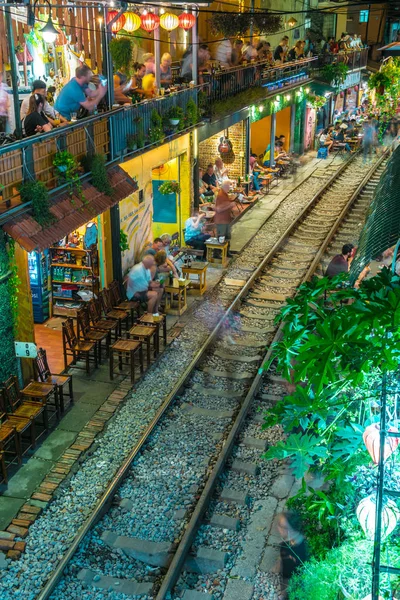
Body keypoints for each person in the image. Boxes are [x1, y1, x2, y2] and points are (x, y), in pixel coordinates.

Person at [274, 511, 308, 600]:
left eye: (283, 527)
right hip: (286, 576)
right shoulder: (288, 543)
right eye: (279, 525)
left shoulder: (299, 555)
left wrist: (283, 594)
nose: (279, 528)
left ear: (293, 530)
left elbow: (297, 579)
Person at [214, 181, 236, 255]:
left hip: (226, 219)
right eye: (228, 186)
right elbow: (219, 209)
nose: (229, 188)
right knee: (221, 237)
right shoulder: (221, 195)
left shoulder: (224, 194)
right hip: (221, 221)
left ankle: (226, 252)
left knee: (227, 236)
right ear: (225, 186)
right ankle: (217, 254)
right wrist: (230, 205)